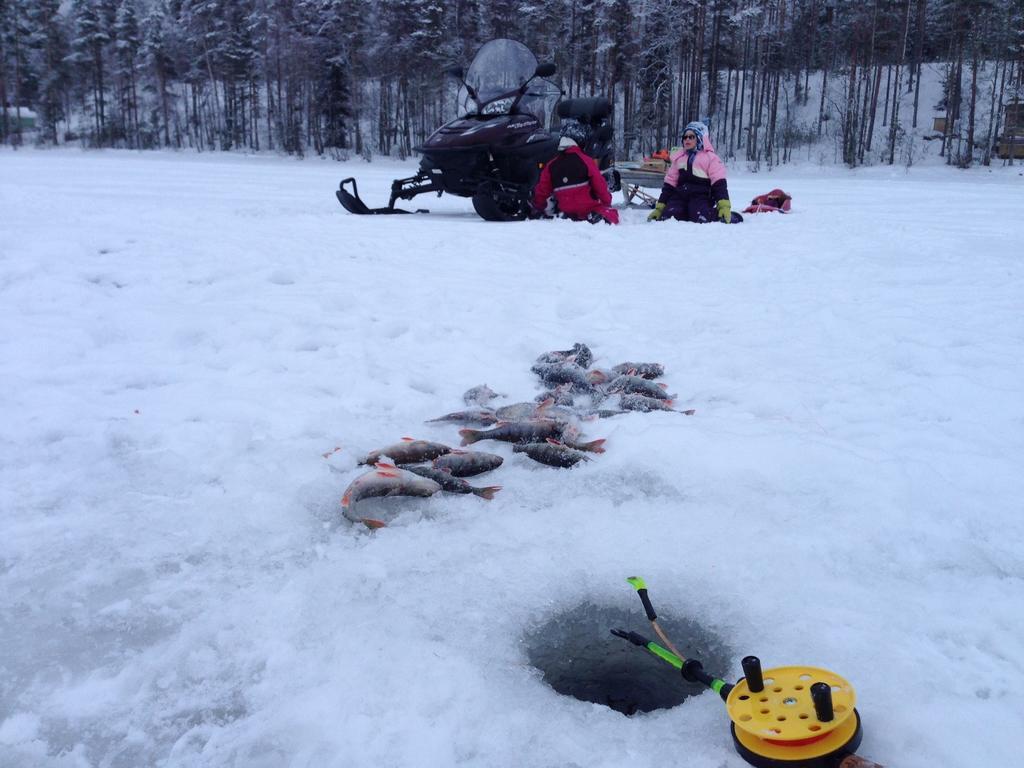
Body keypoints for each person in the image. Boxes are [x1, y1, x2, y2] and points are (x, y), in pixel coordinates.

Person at [647, 121, 739, 224]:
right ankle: (682, 213)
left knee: (700, 217)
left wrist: (724, 206)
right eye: (685, 137)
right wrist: (660, 208)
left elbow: (719, 184)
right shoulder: (679, 158)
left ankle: (725, 215)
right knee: (668, 216)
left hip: (701, 196)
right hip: (680, 196)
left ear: (700, 138)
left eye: (691, 137)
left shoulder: (710, 158)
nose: (687, 139)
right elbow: (670, 184)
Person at [532, 120, 619, 224]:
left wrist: (538, 206)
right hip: (587, 206)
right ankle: (598, 216)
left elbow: (542, 190)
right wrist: (606, 201)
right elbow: (600, 185)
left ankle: (566, 216)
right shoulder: (586, 160)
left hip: (565, 208)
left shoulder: (551, 165)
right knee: (612, 214)